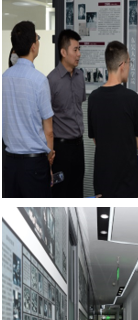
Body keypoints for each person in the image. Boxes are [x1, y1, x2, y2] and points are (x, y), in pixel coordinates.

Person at [88, 41, 138, 197]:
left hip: (102, 184)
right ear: (122, 65)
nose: (129, 67)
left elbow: (96, 140)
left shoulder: (93, 98)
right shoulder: (132, 98)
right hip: (127, 184)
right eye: (129, 63)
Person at [3, 21, 55, 198]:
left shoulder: (4, 79)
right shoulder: (39, 80)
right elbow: (49, 131)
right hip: (34, 165)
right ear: (33, 46)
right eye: (37, 38)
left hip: (9, 165)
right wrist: (49, 158)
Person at [47, 29, 86, 198]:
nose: (79, 54)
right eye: (75, 50)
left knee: (77, 192)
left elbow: (78, 107)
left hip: (79, 146)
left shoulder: (80, 76)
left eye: (79, 49)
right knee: (60, 193)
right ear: (63, 52)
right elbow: (45, 119)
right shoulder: (51, 80)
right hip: (61, 149)